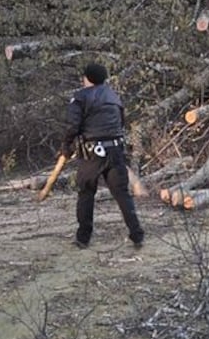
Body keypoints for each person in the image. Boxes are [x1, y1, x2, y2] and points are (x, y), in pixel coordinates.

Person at [60, 62, 145, 250]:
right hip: (115, 151)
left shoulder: (80, 97)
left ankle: (83, 238)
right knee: (122, 194)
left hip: (92, 153)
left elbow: (72, 125)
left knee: (86, 193)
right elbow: (121, 123)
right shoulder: (114, 96)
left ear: (87, 78)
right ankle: (137, 234)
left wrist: (66, 146)